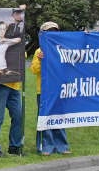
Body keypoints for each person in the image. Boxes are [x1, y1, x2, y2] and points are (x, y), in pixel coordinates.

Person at [0, 8, 26, 157]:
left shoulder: (8, 43)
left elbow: (19, 41)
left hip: (13, 84)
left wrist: (6, 40)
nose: (3, 31)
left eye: (5, 29)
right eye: (0, 29)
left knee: (18, 116)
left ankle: (14, 147)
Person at [30, 21, 70, 156]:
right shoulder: (38, 51)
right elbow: (34, 70)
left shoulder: (62, 49)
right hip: (44, 91)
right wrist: (40, 60)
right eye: (49, 31)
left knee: (59, 117)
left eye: (54, 31)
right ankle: (45, 147)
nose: (52, 33)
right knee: (45, 118)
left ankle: (61, 146)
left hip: (59, 89)